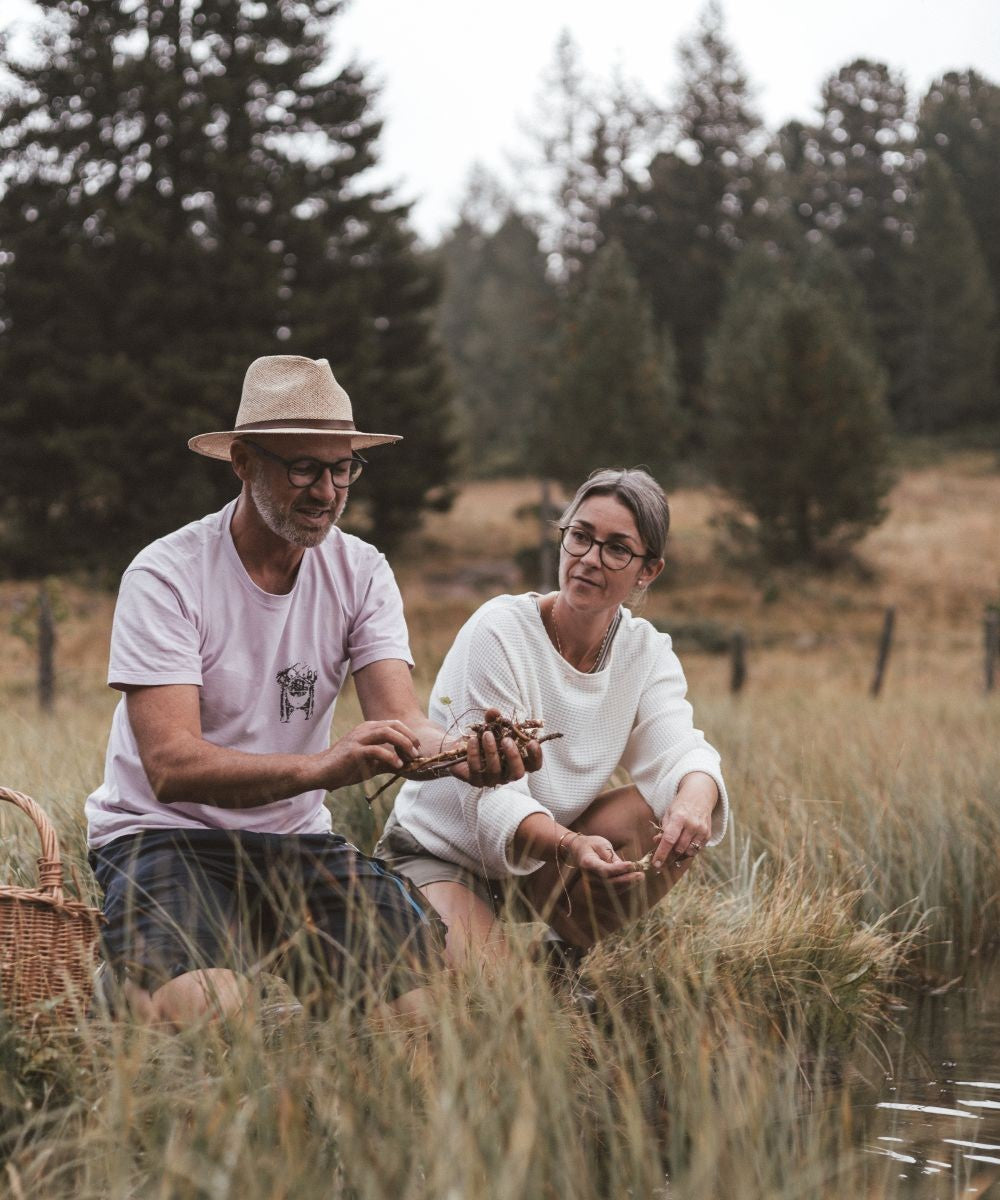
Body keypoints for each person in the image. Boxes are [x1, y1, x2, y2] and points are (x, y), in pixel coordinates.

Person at [85, 354, 537, 1027]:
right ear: (241, 462)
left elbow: (402, 723)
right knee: (212, 1013)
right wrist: (321, 768)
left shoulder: (362, 572)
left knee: (419, 1020)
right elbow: (171, 766)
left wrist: (469, 754)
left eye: (341, 468)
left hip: (295, 842)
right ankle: (121, 988)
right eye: (302, 467)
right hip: (164, 835)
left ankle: (287, 996)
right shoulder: (167, 575)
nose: (325, 490)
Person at [376, 467, 729, 967]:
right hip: (444, 854)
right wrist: (572, 843)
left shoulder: (645, 651)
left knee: (664, 810)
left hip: (544, 861)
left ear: (647, 571)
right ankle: (491, 956)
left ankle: (563, 954)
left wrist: (695, 800)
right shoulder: (499, 632)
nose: (589, 559)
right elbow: (492, 797)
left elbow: (680, 747)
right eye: (580, 537)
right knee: (506, 1013)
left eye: (617, 549)